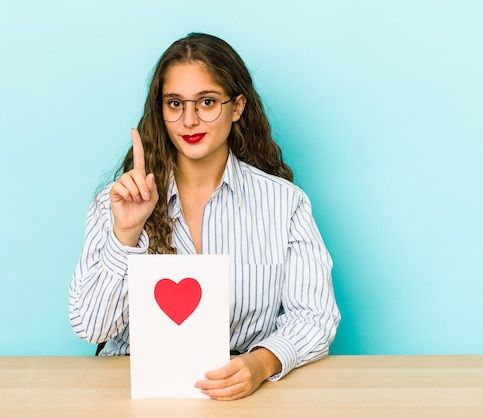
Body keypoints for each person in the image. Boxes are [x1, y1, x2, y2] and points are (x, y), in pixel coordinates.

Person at [68, 32, 340, 401]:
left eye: (207, 102)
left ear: (237, 107)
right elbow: (91, 327)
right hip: (135, 395)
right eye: (175, 103)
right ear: (160, 111)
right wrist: (125, 234)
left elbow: (315, 316)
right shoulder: (117, 204)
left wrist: (260, 364)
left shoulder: (284, 203)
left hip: (242, 398)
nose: (189, 120)